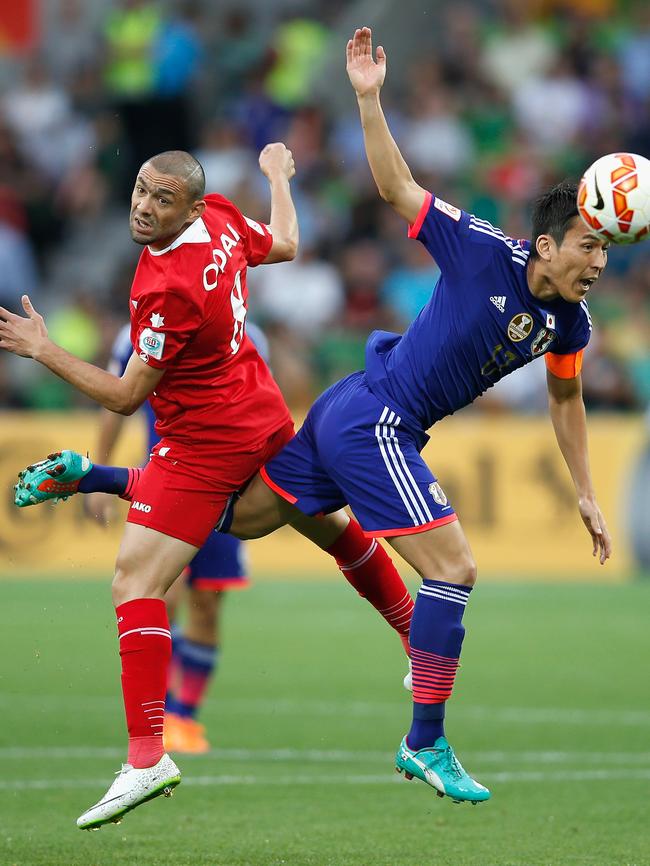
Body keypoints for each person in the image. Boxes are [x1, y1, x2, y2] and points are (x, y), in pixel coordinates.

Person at [70, 28, 612, 805]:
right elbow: (398, 189)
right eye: (588, 248)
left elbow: (567, 399)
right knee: (454, 570)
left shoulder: (571, 324)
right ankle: (425, 742)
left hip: (344, 412)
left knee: (244, 516)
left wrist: (586, 491)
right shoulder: (486, 250)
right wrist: (367, 96)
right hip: (377, 421)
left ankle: (98, 476)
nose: (598, 264)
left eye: (607, 253)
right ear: (549, 243)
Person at [2, 145, 414, 829]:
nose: (142, 205)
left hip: (205, 445)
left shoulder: (167, 285)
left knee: (135, 583)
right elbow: (284, 241)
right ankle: (418, 639)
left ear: (189, 205)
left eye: (161, 199)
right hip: (260, 408)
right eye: (139, 190)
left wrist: (44, 349)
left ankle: (147, 757)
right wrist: (280, 178)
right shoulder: (220, 217)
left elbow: (128, 395)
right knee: (325, 526)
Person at [85, 320, 273, 755]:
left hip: (229, 486)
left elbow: (260, 408)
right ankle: (162, 714)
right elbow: (117, 402)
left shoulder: (251, 336)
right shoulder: (134, 334)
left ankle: (185, 718)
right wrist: (104, 463)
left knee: (208, 603)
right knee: (162, 596)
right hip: (170, 481)